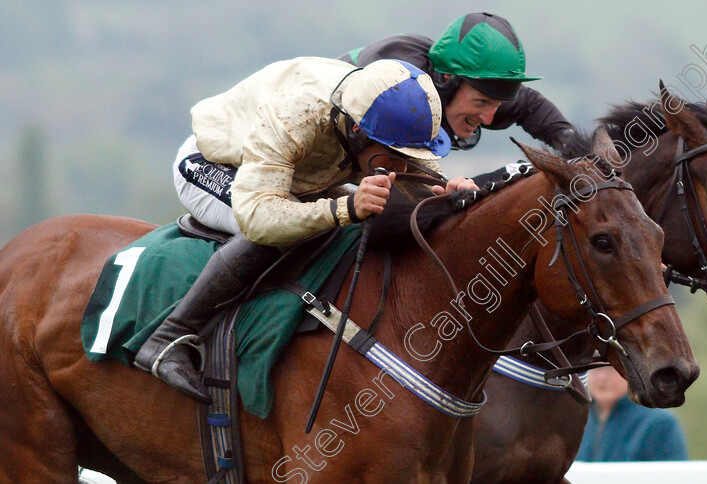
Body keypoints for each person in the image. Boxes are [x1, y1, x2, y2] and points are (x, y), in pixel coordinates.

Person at [133, 57, 479, 403]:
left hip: (299, 177)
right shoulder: (296, 115)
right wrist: (345, 208)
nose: (400, 166)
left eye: (408, 155)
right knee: (287, 231)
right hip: (216, 164)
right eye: (392, 154)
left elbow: (420, 177)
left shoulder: (377, 122)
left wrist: (447, 194)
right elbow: (259, 217)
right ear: (357, 130)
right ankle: (167, 339)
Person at [339, 12, 575, 154]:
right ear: (447, 79)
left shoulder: (472, 87)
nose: (488, 119)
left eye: (497, 104)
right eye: (481, 102)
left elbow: (530, 105)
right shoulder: (400, 93)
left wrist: (578, 147)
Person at [576, 364, 689, 462]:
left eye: (612, 368)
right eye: (594, 368)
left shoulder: (659, 423)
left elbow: (675, 476)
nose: (602, 377)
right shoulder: (575, 419)